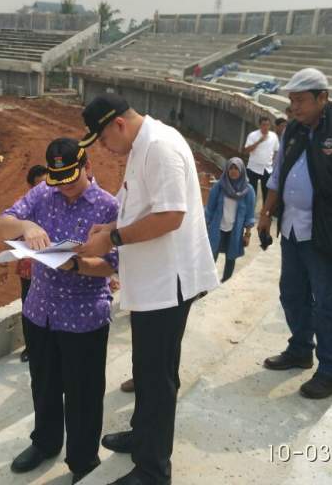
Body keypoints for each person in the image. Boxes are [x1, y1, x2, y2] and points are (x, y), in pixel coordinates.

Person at [75, 93, 220, 485]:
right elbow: (135, 204)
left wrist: (114, 239)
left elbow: (171, 216)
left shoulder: (159, 147)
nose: (104, 147)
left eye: (102, 138)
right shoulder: (141, 147)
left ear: (117, 124)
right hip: (152, 282)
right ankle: (144, 436)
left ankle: (153, 470)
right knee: (147, 369)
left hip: (167, 283)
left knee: (157, 377)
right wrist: (107, 230)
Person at [0, 138, 119, 483]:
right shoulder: (43, 194)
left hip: (83, 317)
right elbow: (3, 223)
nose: (64, 187)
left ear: (88, 167)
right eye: (59, 179)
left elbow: (111, 265)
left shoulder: (108, 207)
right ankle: (45, 442)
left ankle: (82, 460)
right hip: (40, 311)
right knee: (44, 383)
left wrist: (75, 265)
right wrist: (26, 226)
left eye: (72, 178)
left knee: (83, 393)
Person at [257, 68, 332, 399]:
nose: (294, 108)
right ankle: (299, 348)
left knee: (327, 301)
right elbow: (277, 176)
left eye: (300, 101)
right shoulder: (294, 128)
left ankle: (330, 369)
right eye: (291, 101)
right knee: (291, 292)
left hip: (326, 230)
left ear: (322, 97)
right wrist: (266, 214)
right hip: (294, 228)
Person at [16, 164, 49, 362]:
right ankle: (31, 347)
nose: (44, 188)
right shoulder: (24, 206)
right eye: (39, 185)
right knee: (28, 306)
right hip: (30, 265)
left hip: (49, 265)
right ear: (30, 186)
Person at [205, 157, 256, 282]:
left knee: (231, 257)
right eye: (231, 168)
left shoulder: (248, 191)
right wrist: (205, 226)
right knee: (211, 255)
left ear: (242, 171)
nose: (233, 171)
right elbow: (209, 208)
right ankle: (206, 284)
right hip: (217, 228)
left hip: (235, 230)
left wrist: (247, 234)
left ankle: (226, 281)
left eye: (236, 168)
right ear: (227, 170)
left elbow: (249, 214)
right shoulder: (219, 186)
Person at [243, 116, 279, 205]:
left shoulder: (273, 136)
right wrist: (259, 141)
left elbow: (276, 150)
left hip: (267, 169)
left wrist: (273, 162)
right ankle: (250, 212)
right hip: (253, 168)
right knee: (251, 192)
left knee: (267, 193)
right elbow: (247, 150)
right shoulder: (253, 135)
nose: (265, 127)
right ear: (260, 125)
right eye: (263, 125)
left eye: (267, 125)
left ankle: (264, 213)